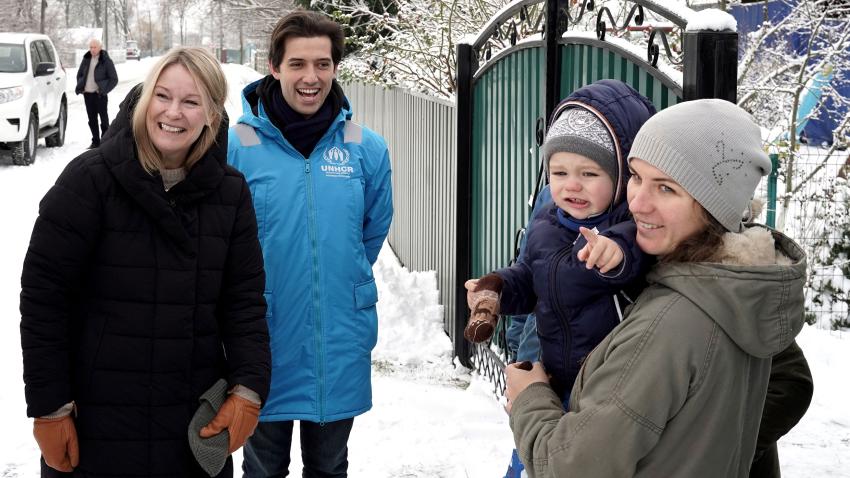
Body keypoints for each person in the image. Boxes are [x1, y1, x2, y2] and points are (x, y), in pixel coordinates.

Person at [505, 98, 808, 477]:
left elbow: (567, 467)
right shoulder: (737, 285)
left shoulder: (668, 323)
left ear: (713, 205)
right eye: (635, 176)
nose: (637, 202)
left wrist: (528, 397)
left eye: (666, 188)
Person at [21, 47, 271, 478]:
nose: (173, 112)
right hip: (97, 425)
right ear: (144, 99)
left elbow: (244, 302)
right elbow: (45, 298)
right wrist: (49, 405)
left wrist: (248, 387)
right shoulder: (89, 180)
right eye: (163, 96)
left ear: (212, 115)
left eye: (192, 102)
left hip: (192, 426)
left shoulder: (230, 194)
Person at [227, 10, 393, 478]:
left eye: (322, 64)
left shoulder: (366, 148)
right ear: (274, 67)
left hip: (337, 337)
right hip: (263, 339)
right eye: (297, 64)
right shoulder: (234, 145)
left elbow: (370, 233)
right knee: (262, 467)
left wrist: (338, 274)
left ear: (336, 68)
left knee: (329, 465)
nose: (310, 77)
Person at [464, 79, 656, 402]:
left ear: (621, 175)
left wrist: (615, 255)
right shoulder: (546, 221)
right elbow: (531, 277)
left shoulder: (629, 225)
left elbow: (633, 256)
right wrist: (497, 287)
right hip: (554, 381)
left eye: (589, 174)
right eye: (559, 173)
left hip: (607, 389)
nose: (572, 186)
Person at [75, 38, 118, 148]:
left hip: (100, 95)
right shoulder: (86, 59)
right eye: (90, 47)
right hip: (87, 95)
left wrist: (104, 90)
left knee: (104, 119)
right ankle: (95, 141)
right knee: (92, 119)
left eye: (94, 47)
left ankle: (104, 141)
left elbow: (114, 79)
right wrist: (82, 85)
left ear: (100, 47)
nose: (92, 49)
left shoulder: (106, 60)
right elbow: (79, 74)